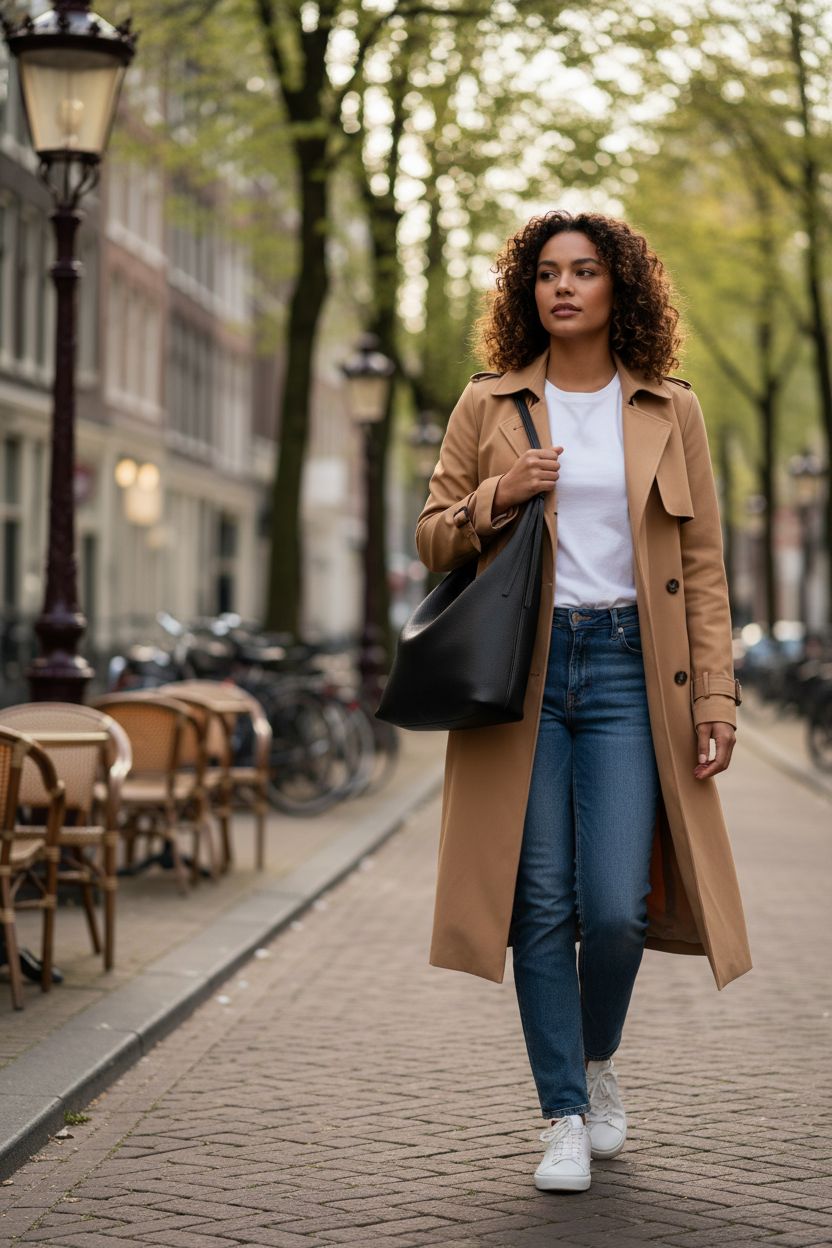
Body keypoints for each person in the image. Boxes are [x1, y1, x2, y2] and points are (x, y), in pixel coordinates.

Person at [414, 210, 750, 1193]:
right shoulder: (489, 404)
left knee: (615, 909)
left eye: (585, 271)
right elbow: (432, 536)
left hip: (626, 675)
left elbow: (702, 564)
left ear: (618, 289)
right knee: (540, 903)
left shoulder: (666, 409)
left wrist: (716, 698)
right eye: (547, 273)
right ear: (527, 290)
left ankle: (596, 1060)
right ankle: (561, 1110)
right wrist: (501, 492)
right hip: (520, 675)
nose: (563, 287)